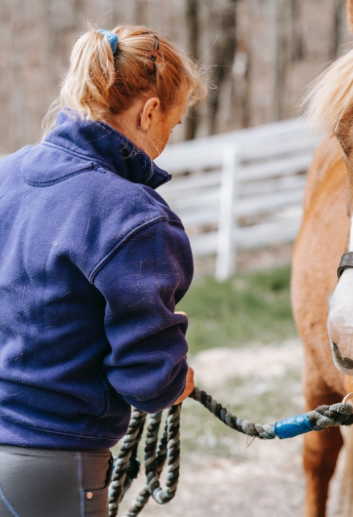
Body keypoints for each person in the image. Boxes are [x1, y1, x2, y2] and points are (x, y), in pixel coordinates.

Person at [0, 25, 205, 517]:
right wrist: (176, 383)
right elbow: (147, 379)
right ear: (149, 111)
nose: (166, 142)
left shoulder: (7, 175)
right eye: (172, 125)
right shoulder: (134, 216)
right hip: (51, 465)